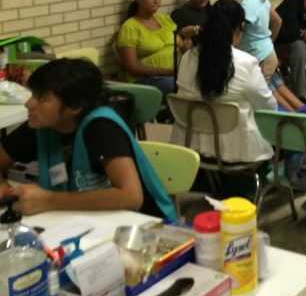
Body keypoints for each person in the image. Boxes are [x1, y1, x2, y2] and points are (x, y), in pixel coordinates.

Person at [0, 59, 175, 219]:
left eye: (42, 98)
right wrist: (5, 190)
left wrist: (50, 200)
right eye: (33, 94)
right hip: (80, 220)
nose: (29, 104)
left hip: (143, 225)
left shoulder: (101, 127)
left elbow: (131, 196)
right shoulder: (42, 125)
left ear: (75, 107)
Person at [173, 0, 278, 163]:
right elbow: (267, 107)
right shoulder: (246, 63)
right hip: (235, 152)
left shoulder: (188, 57)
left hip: (191, 146)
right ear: (239, 27)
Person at [117, 0, 195, 96]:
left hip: (178, 73)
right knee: (178, 85)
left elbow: (181, 44)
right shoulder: (129, 27)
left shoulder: (164, 19)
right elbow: (132, 68)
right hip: (147, 79)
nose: (156, 1)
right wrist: (170, 72)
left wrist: (187, 43)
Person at [217, 0, 282, 79]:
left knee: (257, 91)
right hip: (267, 53)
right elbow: (277, 20)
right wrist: (269, 42)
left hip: (259, 57)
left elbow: (234, 32)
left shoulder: (247, 5)